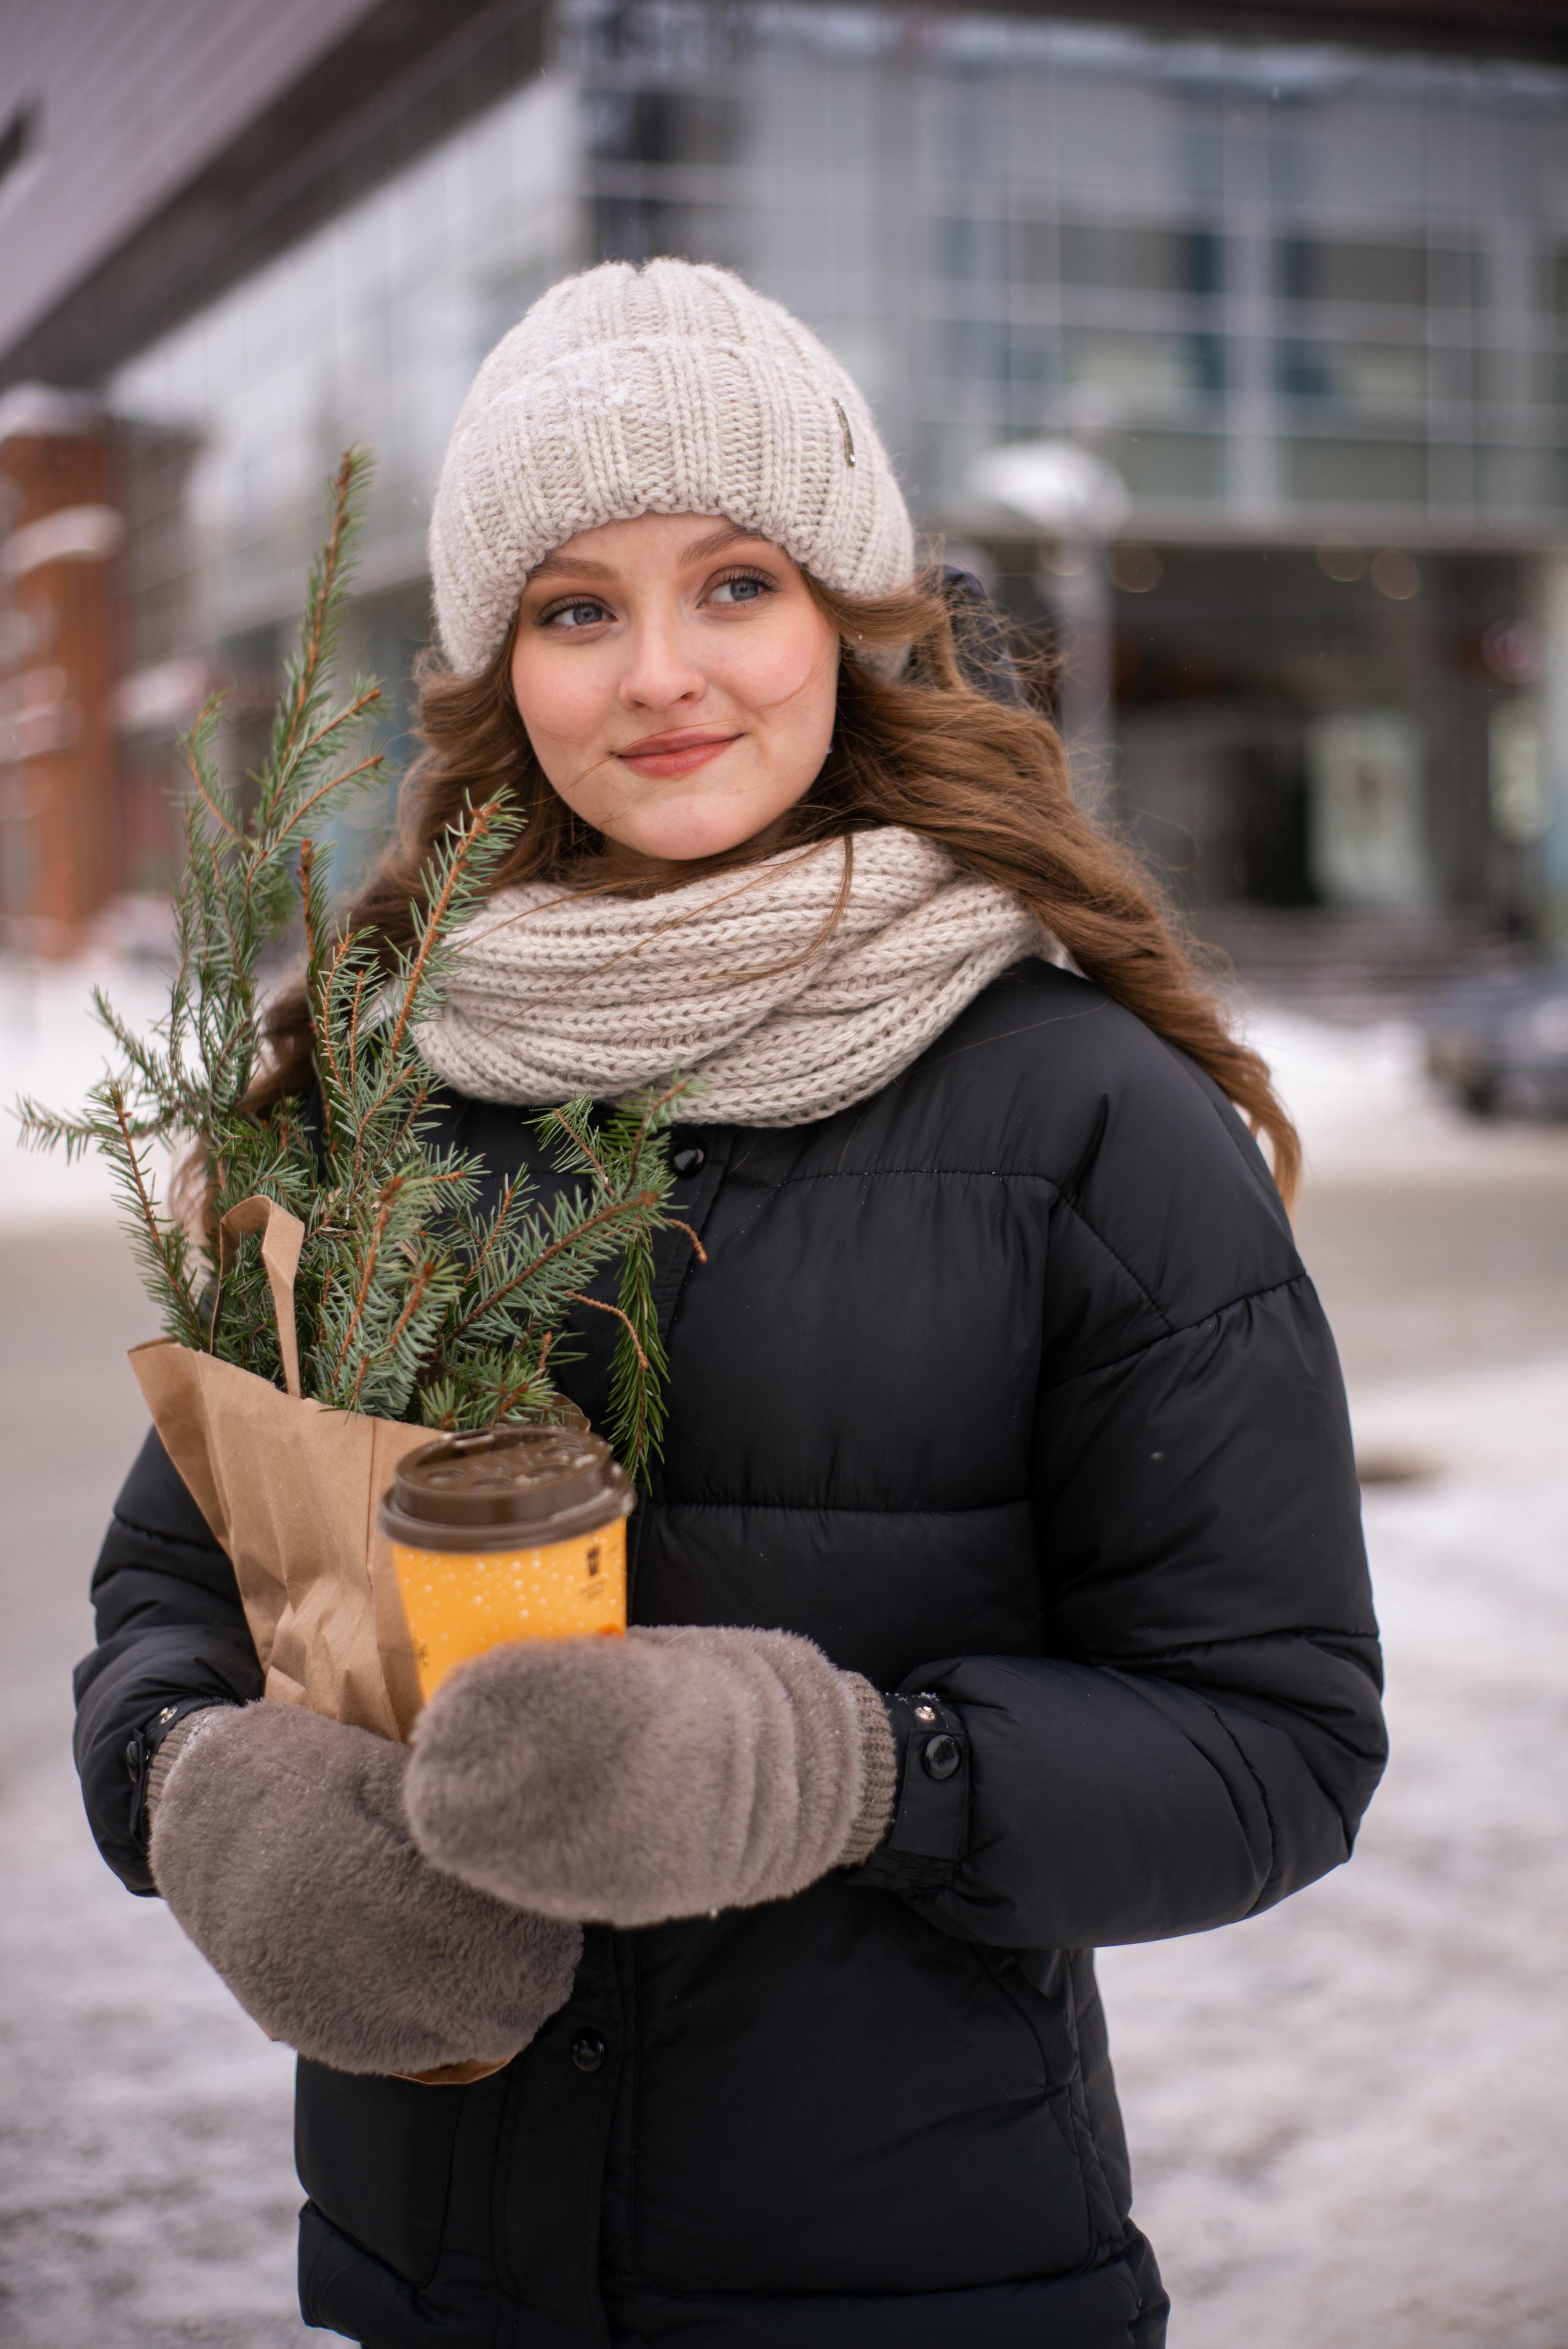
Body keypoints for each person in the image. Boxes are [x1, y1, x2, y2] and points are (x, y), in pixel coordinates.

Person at [74, 260, 1385, 2349]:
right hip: (437, 2286)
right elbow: (169, 1593)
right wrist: (190, 1785)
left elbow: (1278, 1746)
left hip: (909, 2288)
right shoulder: (380, 1085)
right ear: (507, 670)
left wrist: (856, 1770)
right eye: (577, 605)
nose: (662, 673)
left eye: (738, 584)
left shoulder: (1087, 1119)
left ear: (854, 618)